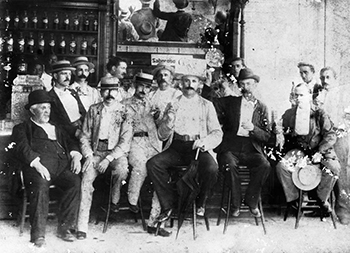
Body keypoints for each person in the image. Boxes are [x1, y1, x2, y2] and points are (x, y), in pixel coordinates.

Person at [146, 68, 223, 221]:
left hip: (197, 147)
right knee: (153, 164)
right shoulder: (172, 104)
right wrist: (167, 122)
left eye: (193, 81)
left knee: (212, 168)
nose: (189, 84)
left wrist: (205, 142)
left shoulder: (206, 105)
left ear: (199, 84)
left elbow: (217, 132)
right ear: (180, 84)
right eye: (186, 81)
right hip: (177, 147)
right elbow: (162, 136)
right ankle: (168, 205)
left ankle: (201, 201)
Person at [11, 90, 82, 247]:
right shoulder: (23, 128)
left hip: (61, 168)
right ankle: (38, 234)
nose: (46, 111)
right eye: (42, 108)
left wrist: (76, 155)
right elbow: (22, 148)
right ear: (32, 109)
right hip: (38, 168)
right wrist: (37, 164)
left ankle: (65, 228)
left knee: (75, 182)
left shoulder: (56, 127)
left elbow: (71, 142)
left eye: (48, 108)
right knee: (40, 186)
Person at [206, 68, 272, 217]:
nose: (246, 87)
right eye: (242, 84)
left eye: (249, 84)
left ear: (255, 85)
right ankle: (235, 204)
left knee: (264, 165)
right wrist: (207, 84)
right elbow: (210, 103)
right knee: (229, 164)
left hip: (251, 147)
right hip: (231, 146)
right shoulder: (231, 102)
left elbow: (268, 136)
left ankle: (251, 200)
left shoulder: (262, 107)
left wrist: (254, 128)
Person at [76, 77, 133, 240]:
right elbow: (84, 136)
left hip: (115, 153)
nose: (110, 94)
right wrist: (88, 155)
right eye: (106, 90)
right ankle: (82, 226)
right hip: (95, 152)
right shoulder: (93, 110)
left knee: (122, 170)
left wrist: (108, 158)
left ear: (118, 91)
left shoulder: (125, 111)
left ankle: (114, 201)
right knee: (86, 180)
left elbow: (125, 141)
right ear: (101, 92)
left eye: (113, 90)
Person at [276, 83, 341, 214]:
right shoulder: (290, 114)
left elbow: (331, 135)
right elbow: (279, 126)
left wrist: (320, 151)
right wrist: (279, 133)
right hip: (299, 151)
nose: (299, 98)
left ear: (310, 95)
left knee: (334, 167)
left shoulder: (319, 113)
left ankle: (321, 199)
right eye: (296, 95)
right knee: (282, 166)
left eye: (302, 95)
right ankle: (294, 200)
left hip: (319, 149)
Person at [123, 72, 170, 236]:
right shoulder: (124, 104)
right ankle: (132, 199)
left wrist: (160, 118)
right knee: (141, 165)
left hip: (152, 143)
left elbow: (163, 131)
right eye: (141, 86)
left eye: (148, 87)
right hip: (133, 143)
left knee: (161, 174)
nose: (144, 90)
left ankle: (155, 222)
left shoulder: (154, 105)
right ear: (135, 85)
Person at [313, 67, 350, 224]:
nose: (325, 80)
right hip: (323, 138)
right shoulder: (319, 95)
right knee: (323, 169)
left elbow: (347, 117)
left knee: (340, 172)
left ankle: (343, 209)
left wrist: (338, 131)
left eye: (328, 77)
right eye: (322, 77)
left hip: (340, 137)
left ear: (335, 78)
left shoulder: (343, 94)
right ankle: (323, 206)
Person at [48, 60, 86, 140]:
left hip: (82, 129)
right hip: (66, 135)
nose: (68, 77)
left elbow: (83, 112)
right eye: (64, 74)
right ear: (55, 76)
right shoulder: (50, 97)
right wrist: (74, 131)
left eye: (69, 74)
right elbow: (54, 122)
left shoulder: (73, 92)